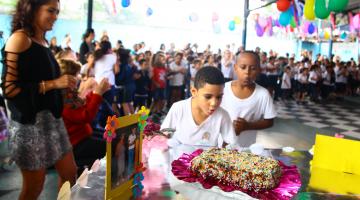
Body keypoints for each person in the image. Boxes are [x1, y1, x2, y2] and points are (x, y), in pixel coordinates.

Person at [0, 0, 77, 199]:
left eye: (57, 12)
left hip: (52, 121)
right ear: (32, 9)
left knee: (69, 173)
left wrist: (66, 96)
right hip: (29, 125)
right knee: (34, 186)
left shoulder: (42, 41)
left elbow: (42, 82)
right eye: (50, 10)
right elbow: (9, 89)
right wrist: (54, 84)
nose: (55, 16)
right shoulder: (19, 39)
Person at [161, 67, 236, 147]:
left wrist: (224, 152)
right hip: (178, 158)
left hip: (208, 159)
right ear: (194, 92)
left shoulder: (222, 115)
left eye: (219, 97)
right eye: (208, 97)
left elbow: (231, 143)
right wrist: (161, 138)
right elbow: (165, 132)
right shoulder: (179, 108)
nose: (214, 103)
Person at [58, 59, 110, 174]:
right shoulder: (63, 99)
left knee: (111, 140)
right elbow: (85, 116)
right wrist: (98, 94)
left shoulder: (67, 94)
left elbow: (83, 106)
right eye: (76, 75)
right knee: (113, 147)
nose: (79, 78)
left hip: (82, 137)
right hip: (76, 145)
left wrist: (95, 93)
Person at [221, 51, 276, 147]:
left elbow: (269, 121)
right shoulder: (223, 89)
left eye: (253, 68)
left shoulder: (263, 94)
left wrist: (247, 126)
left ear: (259, 70)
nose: (247, 72)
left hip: (246, 148)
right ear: (235, 68)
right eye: (243, 67)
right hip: (221, 144)